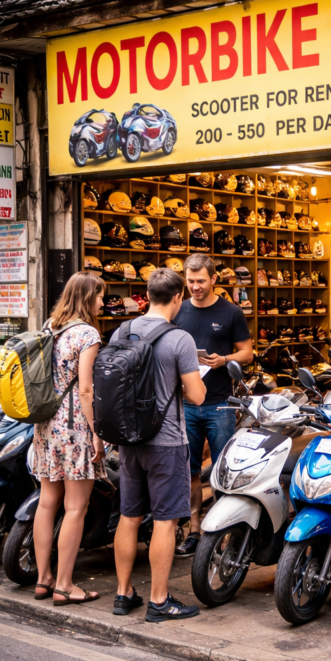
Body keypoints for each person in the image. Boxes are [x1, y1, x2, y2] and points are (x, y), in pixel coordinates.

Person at [112, 267, 207, 622]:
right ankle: (159, 600)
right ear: (179, 297)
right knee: (166, 521)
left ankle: (123, 594)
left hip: (128, 439)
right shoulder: (179, 338)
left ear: (147, 295)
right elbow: (197, 396)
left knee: (129, 516)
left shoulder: (123, 330)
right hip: (166, 441)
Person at [33, 271, 107, 606]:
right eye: (100, 296)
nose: (103, 302)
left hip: (46, 425)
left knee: (47, 503)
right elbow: (87, 389)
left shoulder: (51, 326)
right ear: (87, 298)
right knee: (75, 507)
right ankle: (64, 584)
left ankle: (43, 578)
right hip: (75, 426)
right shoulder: (87, 333)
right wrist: (97, 433)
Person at [173, 253, 253, 556]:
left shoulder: (231, 312)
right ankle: (195, 530)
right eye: (190, 281)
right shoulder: (179, 311)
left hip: (219, 403)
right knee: (190, 470)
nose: (194, 287)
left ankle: (221, 528)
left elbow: (247, 353)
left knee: (222, 470)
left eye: (200, 281)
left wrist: (224, 359)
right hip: (187, 404)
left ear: (214, 279)